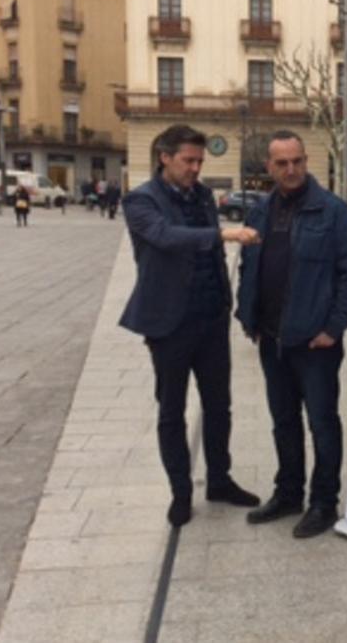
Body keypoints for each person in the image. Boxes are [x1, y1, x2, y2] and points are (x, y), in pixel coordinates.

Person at [119, 124, 262, 527]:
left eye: (200, 161)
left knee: (220, 406)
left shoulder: (201, 196)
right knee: (172, 410)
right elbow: (165, 237)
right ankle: (180, 492)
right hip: (169, 323)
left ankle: (219, 479)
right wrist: (224, 235)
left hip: (210, 317)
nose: (196, 168)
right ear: (164, 157)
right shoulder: (140, 200)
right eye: (189, 160)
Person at [236, 130, 347, 538]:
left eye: (297, 161)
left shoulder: (332, 211)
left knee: (322, 422)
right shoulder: (260, 211)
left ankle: (324, 502)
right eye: (282, 163)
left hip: (315, 344)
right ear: (268, 167)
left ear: (306, 161)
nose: (291, 170)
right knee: (283, 422)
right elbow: (249, 266)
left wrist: (334, 327)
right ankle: (288, 493)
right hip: (272, 339)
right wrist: (249, 318)